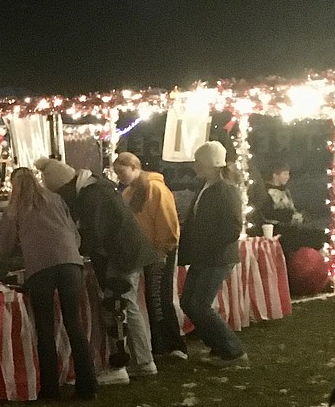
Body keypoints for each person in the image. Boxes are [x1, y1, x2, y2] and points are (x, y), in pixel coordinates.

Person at [36, 156, 158, 383]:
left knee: (118, 308)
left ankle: (126, 364)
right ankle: (142, 359)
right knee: (127, 307)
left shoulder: (92, 196)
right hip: (127, 254)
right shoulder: (97, 187)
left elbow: (94, 235)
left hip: (120, 258)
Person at [0, 168, 97, 401]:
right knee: (74, 324)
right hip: (71, 264)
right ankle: (87, 384)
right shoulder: (56, 198)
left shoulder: (16, 207)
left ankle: (50, 388)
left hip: (40, 269)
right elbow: (74, 233)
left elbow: (4, 245)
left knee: (45, 328)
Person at [113, 151, 187, 361]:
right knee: (152, 297)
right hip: (145, 251)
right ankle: (160, 343)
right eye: (117, 173)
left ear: (135, 168)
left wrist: (163, 247)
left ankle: (172, 343)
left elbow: (167, 220)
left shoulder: (155, 188)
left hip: (159, 250)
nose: (120, 177)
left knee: (160, 296)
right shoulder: (130, 192)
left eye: (122, 171)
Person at [178, 140, 247, 364]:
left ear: (210, 164)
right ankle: (218, 346)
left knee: (198, 304)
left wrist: (208, 245)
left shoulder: (225, 190)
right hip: (204, 256)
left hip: (216, 257)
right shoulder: (207, 187)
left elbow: (233, 227)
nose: (195, 166)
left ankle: (232, 350)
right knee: (189, 302)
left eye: (199, 162)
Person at [248, 159, 323, 254]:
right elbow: (268, 214)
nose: (288, 177)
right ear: (275, 175)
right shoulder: (266, 193)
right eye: (285, 174)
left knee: (318, 234)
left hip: (292, 226)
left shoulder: (285, 191)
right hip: (278, 229)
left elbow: (292, 208)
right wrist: (289, 216)